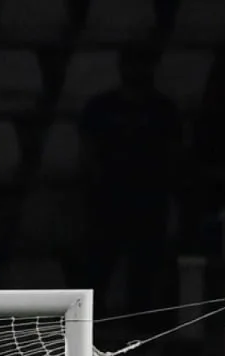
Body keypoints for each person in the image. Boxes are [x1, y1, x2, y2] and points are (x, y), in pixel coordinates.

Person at [78, 48, 183, 313]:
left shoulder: (164, 110)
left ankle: (140, 329)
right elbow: (87, 152)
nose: (136, 71)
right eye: (132, 64)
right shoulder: (100, 107)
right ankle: (92, 326)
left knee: (144, 272)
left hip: (149, 200)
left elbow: (173, 155)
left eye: (142, 64)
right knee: (99, 268)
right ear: (121, 67)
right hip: (107, 199)